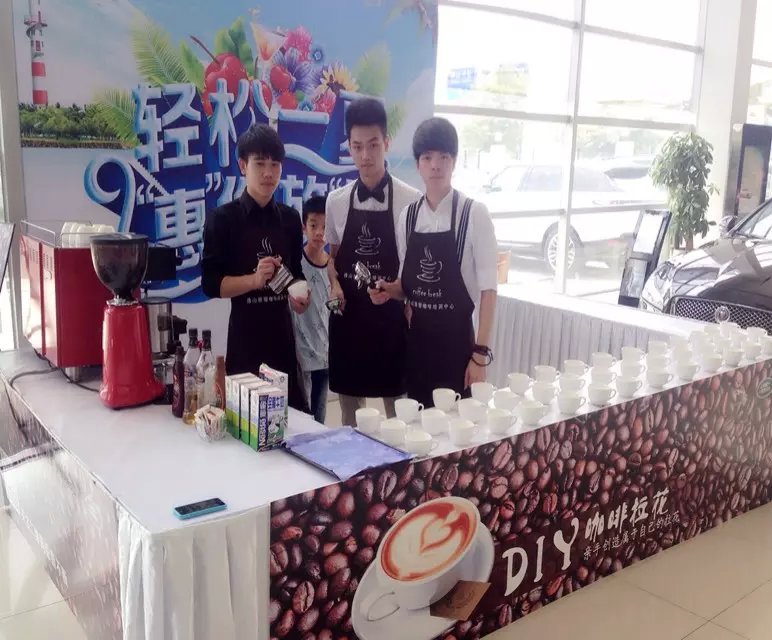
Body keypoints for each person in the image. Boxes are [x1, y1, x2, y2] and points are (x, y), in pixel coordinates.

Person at [370, 117, 498, 407]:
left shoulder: (473, 214)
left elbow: (489, 291)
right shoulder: (408, 217)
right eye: (427, 157)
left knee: (459, 429)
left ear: (454, 162)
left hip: (459, 350)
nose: (435, 165)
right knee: (418, 425)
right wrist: (388, 290)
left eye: (443, 157)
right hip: (417, 349)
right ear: (418, 164)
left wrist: (480, 355)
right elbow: (407, 286)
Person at [326, 97, 422, 426]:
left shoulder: (411, 200)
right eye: (357, 147)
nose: (365, 156)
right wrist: (334, 285)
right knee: (350, 422)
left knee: (400, 419)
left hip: (391, 325)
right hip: (350, 323)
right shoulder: (336, 202)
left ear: (387, 143)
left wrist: (401, 293)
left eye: (373, 145)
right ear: (349, 147)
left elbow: (415, 270)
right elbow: (333, 260)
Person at [202, 124, 310, 411]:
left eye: (275, 165)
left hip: (283, 343)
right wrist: (253, 280)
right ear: (242, 165)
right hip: (245, 344)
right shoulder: (222, 220)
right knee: (246, 425)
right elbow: (210, 284)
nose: (268, 173)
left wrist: (300, 298)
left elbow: (296, 273)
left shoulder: (290, 219)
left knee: (294, 422)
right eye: (259, 164)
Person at [292, 195, 331, 424]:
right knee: (301, 414)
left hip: (325, 353)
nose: (319, 233)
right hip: (300, 352)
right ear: (303, 227)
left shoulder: (334, 264)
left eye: (325, 227)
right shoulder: (295, 262)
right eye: (314, 225)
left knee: (320, 414)